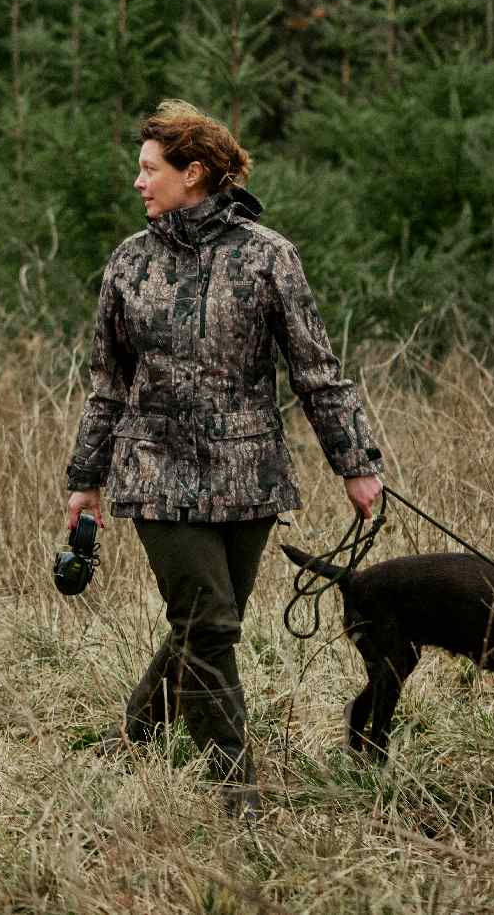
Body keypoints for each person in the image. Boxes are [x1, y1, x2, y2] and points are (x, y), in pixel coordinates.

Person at [66, 100, 382, 815]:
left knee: (204, 628)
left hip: (248, 479)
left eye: (151, 169)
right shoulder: (128, 262)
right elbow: (107, 385)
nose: (138, 182)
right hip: (155, 475)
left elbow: (316, 369)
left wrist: (355, 462)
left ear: (195, 172)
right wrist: (84, 481)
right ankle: (236, 788)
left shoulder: (268, 256)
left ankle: (137, 734)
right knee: (210, 625)